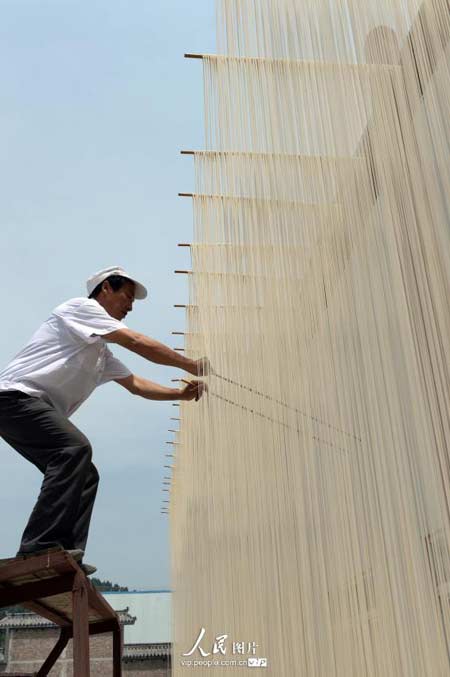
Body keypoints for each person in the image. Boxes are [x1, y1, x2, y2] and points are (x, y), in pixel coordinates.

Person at [0, 266, 207, 575]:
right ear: (105, 289)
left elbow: (136, 385)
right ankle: (37, 549)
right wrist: (191, 364)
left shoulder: (100, 353)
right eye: (127, 296)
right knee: (74, 449)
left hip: (26, 408)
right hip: (14, 398)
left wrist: (181, 394)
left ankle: (64, 554)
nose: (130, 306)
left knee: (86, 473)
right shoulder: (81, 308)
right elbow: (135, 341)